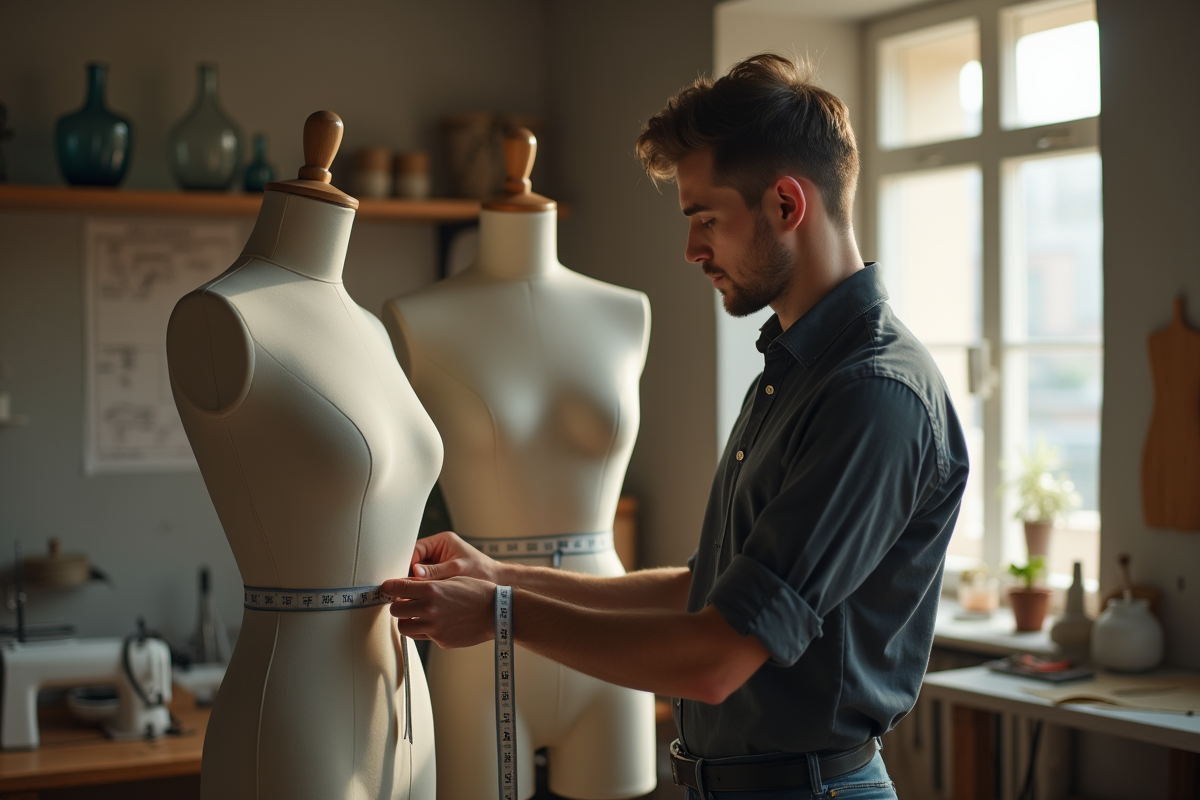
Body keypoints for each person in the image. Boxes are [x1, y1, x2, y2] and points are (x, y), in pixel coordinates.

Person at [383, 53, 969, 799]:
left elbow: (713, 661)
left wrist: (501, 612)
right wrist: (501, 575)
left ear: (787, 206)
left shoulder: (873, 396)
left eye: (706, 220)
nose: (692, 250)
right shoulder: (795, 371)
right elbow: (706, 591)